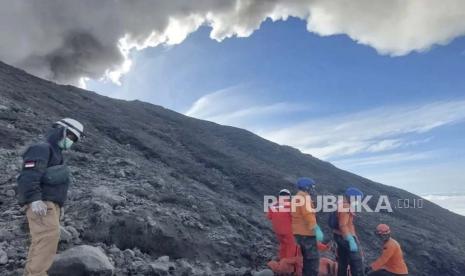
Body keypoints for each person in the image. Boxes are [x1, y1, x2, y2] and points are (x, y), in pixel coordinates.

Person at [17, 118, 84, 276]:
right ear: (60, 130)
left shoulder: (56, 153)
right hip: (41, 203)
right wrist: (34, 199)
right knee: (47, 238)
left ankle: (31, 273)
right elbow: (29, 175)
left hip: (50, 205)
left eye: (74, 139)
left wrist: (58, 206)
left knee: (42, 241)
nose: (71, 141)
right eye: (70, 136)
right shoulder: (42, 148)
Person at [291, 177, 324, 276]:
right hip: (306, 234)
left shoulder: (296, 197)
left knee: (306, 259)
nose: (313, 189)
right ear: (306, 187)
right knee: (312, 262)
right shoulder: (304, 197)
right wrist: (316, 228)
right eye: (312, 187)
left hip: (298, 233)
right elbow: (308, 214)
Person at [333, 187, 365, 276]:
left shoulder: (341, 203)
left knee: (343, 261)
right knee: (357, 262)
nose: (358, 201)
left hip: (338, 236)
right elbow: (343, 225)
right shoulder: (346, 207)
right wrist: (351, 239)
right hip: (345, 237)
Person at [267, 189, 297, 259]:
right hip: (288, 231)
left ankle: (282, 259)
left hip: (277, 231)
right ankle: (289, 263)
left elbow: (269, 217)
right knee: (290, 246)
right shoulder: (290, 205)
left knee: (283, 245)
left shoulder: (273, 205)